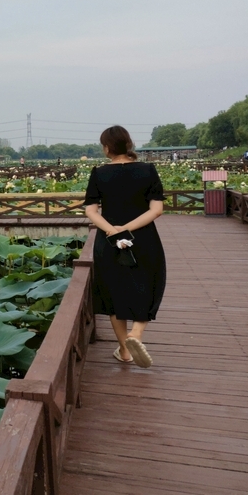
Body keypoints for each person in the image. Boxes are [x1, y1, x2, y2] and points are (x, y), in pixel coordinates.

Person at [83, 126, 166, 369]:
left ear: (107, 147)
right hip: (143, 237)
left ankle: (124, 351)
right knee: (149, 283)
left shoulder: (99, 173)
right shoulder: (147, 170)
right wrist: (127, 228)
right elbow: (156, 210)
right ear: (129, 145)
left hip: (109, 240)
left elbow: (91, 211)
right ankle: (136, 333)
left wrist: (113, 230)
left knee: (113, 291)